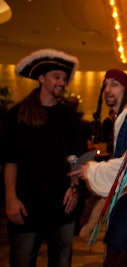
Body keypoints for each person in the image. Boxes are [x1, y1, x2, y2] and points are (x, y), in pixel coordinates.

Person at [2, 49, 84, 267]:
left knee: (61, 262)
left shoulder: (70, 118)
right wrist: (10, 199)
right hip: (26, 208)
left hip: (62, 207)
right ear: (41, 78)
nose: (62, 82)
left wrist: (75, 187)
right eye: (56, 77)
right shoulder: (17, 114)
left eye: (64, 79)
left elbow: (76, 158)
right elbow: (9, 161)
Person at [75, 69, 127, 267]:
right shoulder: (123, 117)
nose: (108, 89)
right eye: (106, 84)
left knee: (121, 254)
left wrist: (91, 170)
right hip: (124, 195)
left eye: (114, 85)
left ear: (126, 90)